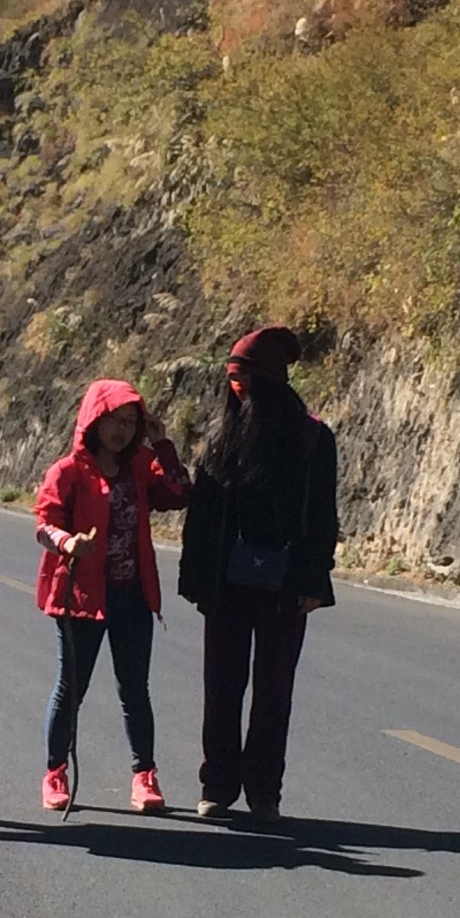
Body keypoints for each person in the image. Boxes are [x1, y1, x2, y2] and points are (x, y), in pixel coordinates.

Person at [176, 327, 340, 824]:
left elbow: (322, 514)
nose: (236, 389)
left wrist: (315, 581)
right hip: (226, 582)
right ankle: (218, 786)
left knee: (274, 691)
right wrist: (196, 577)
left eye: (244, 379)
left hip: (286, 584)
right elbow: (201, 516)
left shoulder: (312, 438)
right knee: (221, 687)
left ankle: (264, 791)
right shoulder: (218, 435)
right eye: (231, 379)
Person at [32, 379, 191, 812]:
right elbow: (44, 524)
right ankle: (55, 771)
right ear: (94, 421)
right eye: (113, 421)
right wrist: (69, 544)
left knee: (135, 690)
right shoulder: (67, 471)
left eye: (129, 422)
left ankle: (145, 776)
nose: (121, 431)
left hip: (132, 595)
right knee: (71, 689)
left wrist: (163, 446)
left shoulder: (141, 465)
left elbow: (178, 493)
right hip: (81, 596)